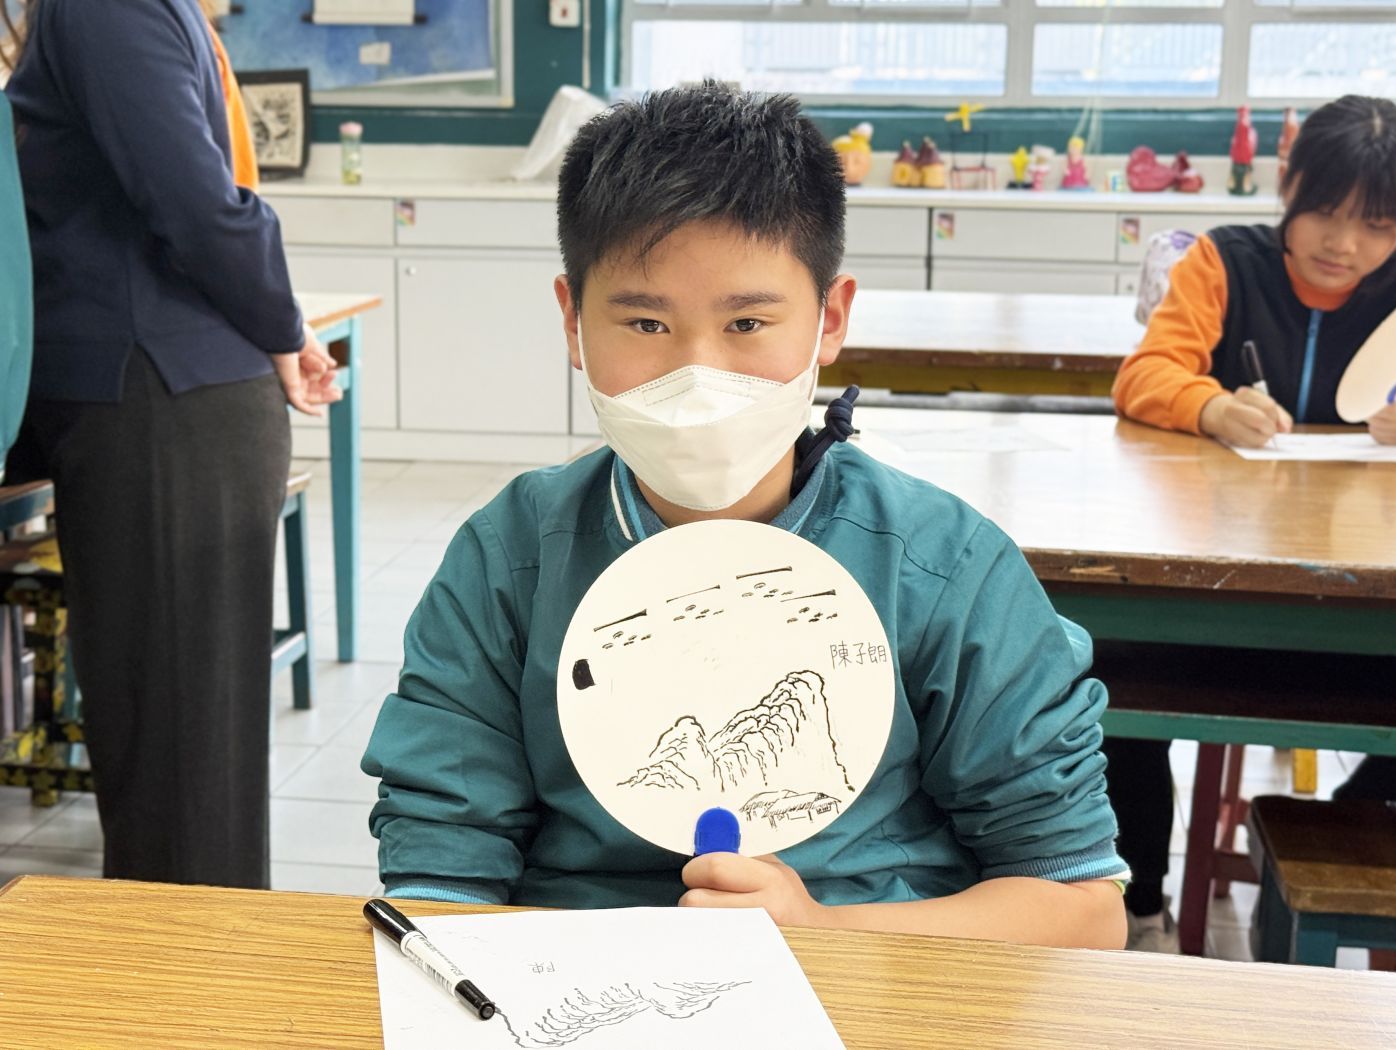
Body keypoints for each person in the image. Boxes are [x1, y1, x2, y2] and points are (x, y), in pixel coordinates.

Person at [361, 82, 1128, 949]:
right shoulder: (511, 559)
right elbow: (439, 881)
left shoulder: (942, 567)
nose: (698, 376)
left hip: (872, 982)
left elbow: (1082, 907)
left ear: (829, 319)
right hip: (572, 981)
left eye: (749, 323)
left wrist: (825, 934)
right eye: (645, 324)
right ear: (573, 321)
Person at [2, 0, 339, 887]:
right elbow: (187, 198)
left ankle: (193, 960)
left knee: (183, 758)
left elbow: (197, 204)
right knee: (170, 745)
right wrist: (281, 324)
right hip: (156, 391)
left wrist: (281, 324)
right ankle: (180, 952)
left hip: (167, 404)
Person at [1109, 95, 1396, 950]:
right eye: (1325, 212)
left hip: (1367, 601)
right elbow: (1145, 375)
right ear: (1288, 186)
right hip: (1218, 586)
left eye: (1377, 226)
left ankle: (1343, 821)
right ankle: (1140, 903)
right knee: (1109, 682)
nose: (1343, 244)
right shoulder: (1225, 262)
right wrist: (1206, 406)